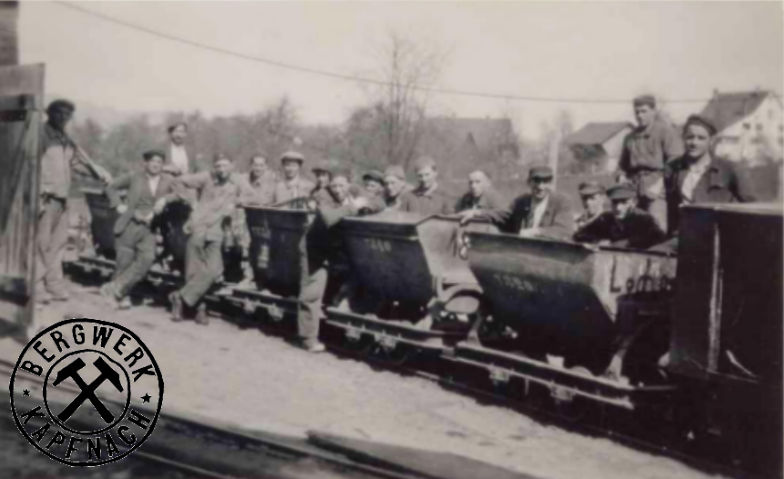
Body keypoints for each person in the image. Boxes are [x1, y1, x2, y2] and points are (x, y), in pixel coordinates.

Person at [36, 99, 112, 303]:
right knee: (40, 244)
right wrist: (38, 194)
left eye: (67, 114)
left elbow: (76, 163)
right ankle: (36, 287)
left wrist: (97, 173)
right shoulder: (40, 135)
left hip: (63, 197)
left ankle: (54, 284)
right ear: (49, 113)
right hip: (45, 197)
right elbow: (32, 165)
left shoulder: (65, 139)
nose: (63, 117)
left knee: (58, 244)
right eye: (59, 113)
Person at [297, 171, 373, 352]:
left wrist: (368, 206)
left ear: (349, 184)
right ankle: (308, 339)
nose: (338, 190)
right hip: (313, 250)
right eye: (334, 186)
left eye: (342, 186)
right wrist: (353, 207)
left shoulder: (354, 191)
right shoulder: (322, 195)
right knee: (312, 294)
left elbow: (379, 201)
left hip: (335, 253)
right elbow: (329, 218)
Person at [169, 153, 243, 325]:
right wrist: (190, 202)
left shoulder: (238, 181)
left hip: (217, 231)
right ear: (213, 167)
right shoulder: (205, 177)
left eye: (225, 165)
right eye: (218, 166)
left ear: (232, 165)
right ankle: (199, 309)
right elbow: (178, 181)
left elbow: (255, 196)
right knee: (194, 270)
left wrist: (237, 202)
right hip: (199, 227)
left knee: (214, 270)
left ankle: (179, 296)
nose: (221, 169)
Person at [101, 150, 176, 309]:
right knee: (124, 262)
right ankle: (121, 296)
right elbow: (110, 187)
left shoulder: (168, 180)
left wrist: (165, 199)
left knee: (147, 259)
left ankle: (115, 289)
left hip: (150, 228)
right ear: (146, 163)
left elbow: (181, 192)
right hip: (129, 224)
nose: (156, 165)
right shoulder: (134, 177)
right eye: (153, 161)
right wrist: (118, 205)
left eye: (160, 162)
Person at [664, 114, 756, 234]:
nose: (694, 143)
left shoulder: (729, 168)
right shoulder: (674, 168)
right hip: (685, 236)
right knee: (651, 252)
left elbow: (752, 207)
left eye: (701, 138)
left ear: (711, 141)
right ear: (683, 138)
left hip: (719, 236)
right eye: (689, 137)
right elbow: (670, 205)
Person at [617, 95, 683, 232]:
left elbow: (676, 161)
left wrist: (660, 184)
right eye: (637, 112)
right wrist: (621, 177)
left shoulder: (665, 132)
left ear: (654, 111)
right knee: (632, 230)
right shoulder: (630, 137)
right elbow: (621, 166)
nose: (640, 115)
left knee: (656, 228)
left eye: (644, 111)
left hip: (657, 189)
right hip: (633, 190)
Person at [469, 166, 574, 239]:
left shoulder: (562, 202)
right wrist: (478, 213)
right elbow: (504, 214)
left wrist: (536, 232)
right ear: (529, 182)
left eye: (545, 182)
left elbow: (565, 231)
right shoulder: (521, 201)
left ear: (551, 183)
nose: (541, 187)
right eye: (536, 181)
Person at [573, 183, 666, 249]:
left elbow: (658, 239)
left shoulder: (644, 219)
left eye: (624, 203)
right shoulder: (605, 218)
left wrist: (628, 242)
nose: (618, 208)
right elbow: (579, 235)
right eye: (614, 203)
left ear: (634, 203)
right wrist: (597, 241)